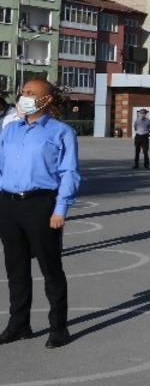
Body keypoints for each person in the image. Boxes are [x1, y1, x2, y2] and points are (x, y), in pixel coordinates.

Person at [0, 78, 81, 349]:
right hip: (9, 204)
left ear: (46, 100)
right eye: (23, 92)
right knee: (16, 269)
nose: (25, 96)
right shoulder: (10, 130)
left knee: (51, 270)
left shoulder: (61, 132)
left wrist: (61, 208)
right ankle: (18, 324)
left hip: (41, 205)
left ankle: (59, 327)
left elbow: (69, 173)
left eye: (31, 93)